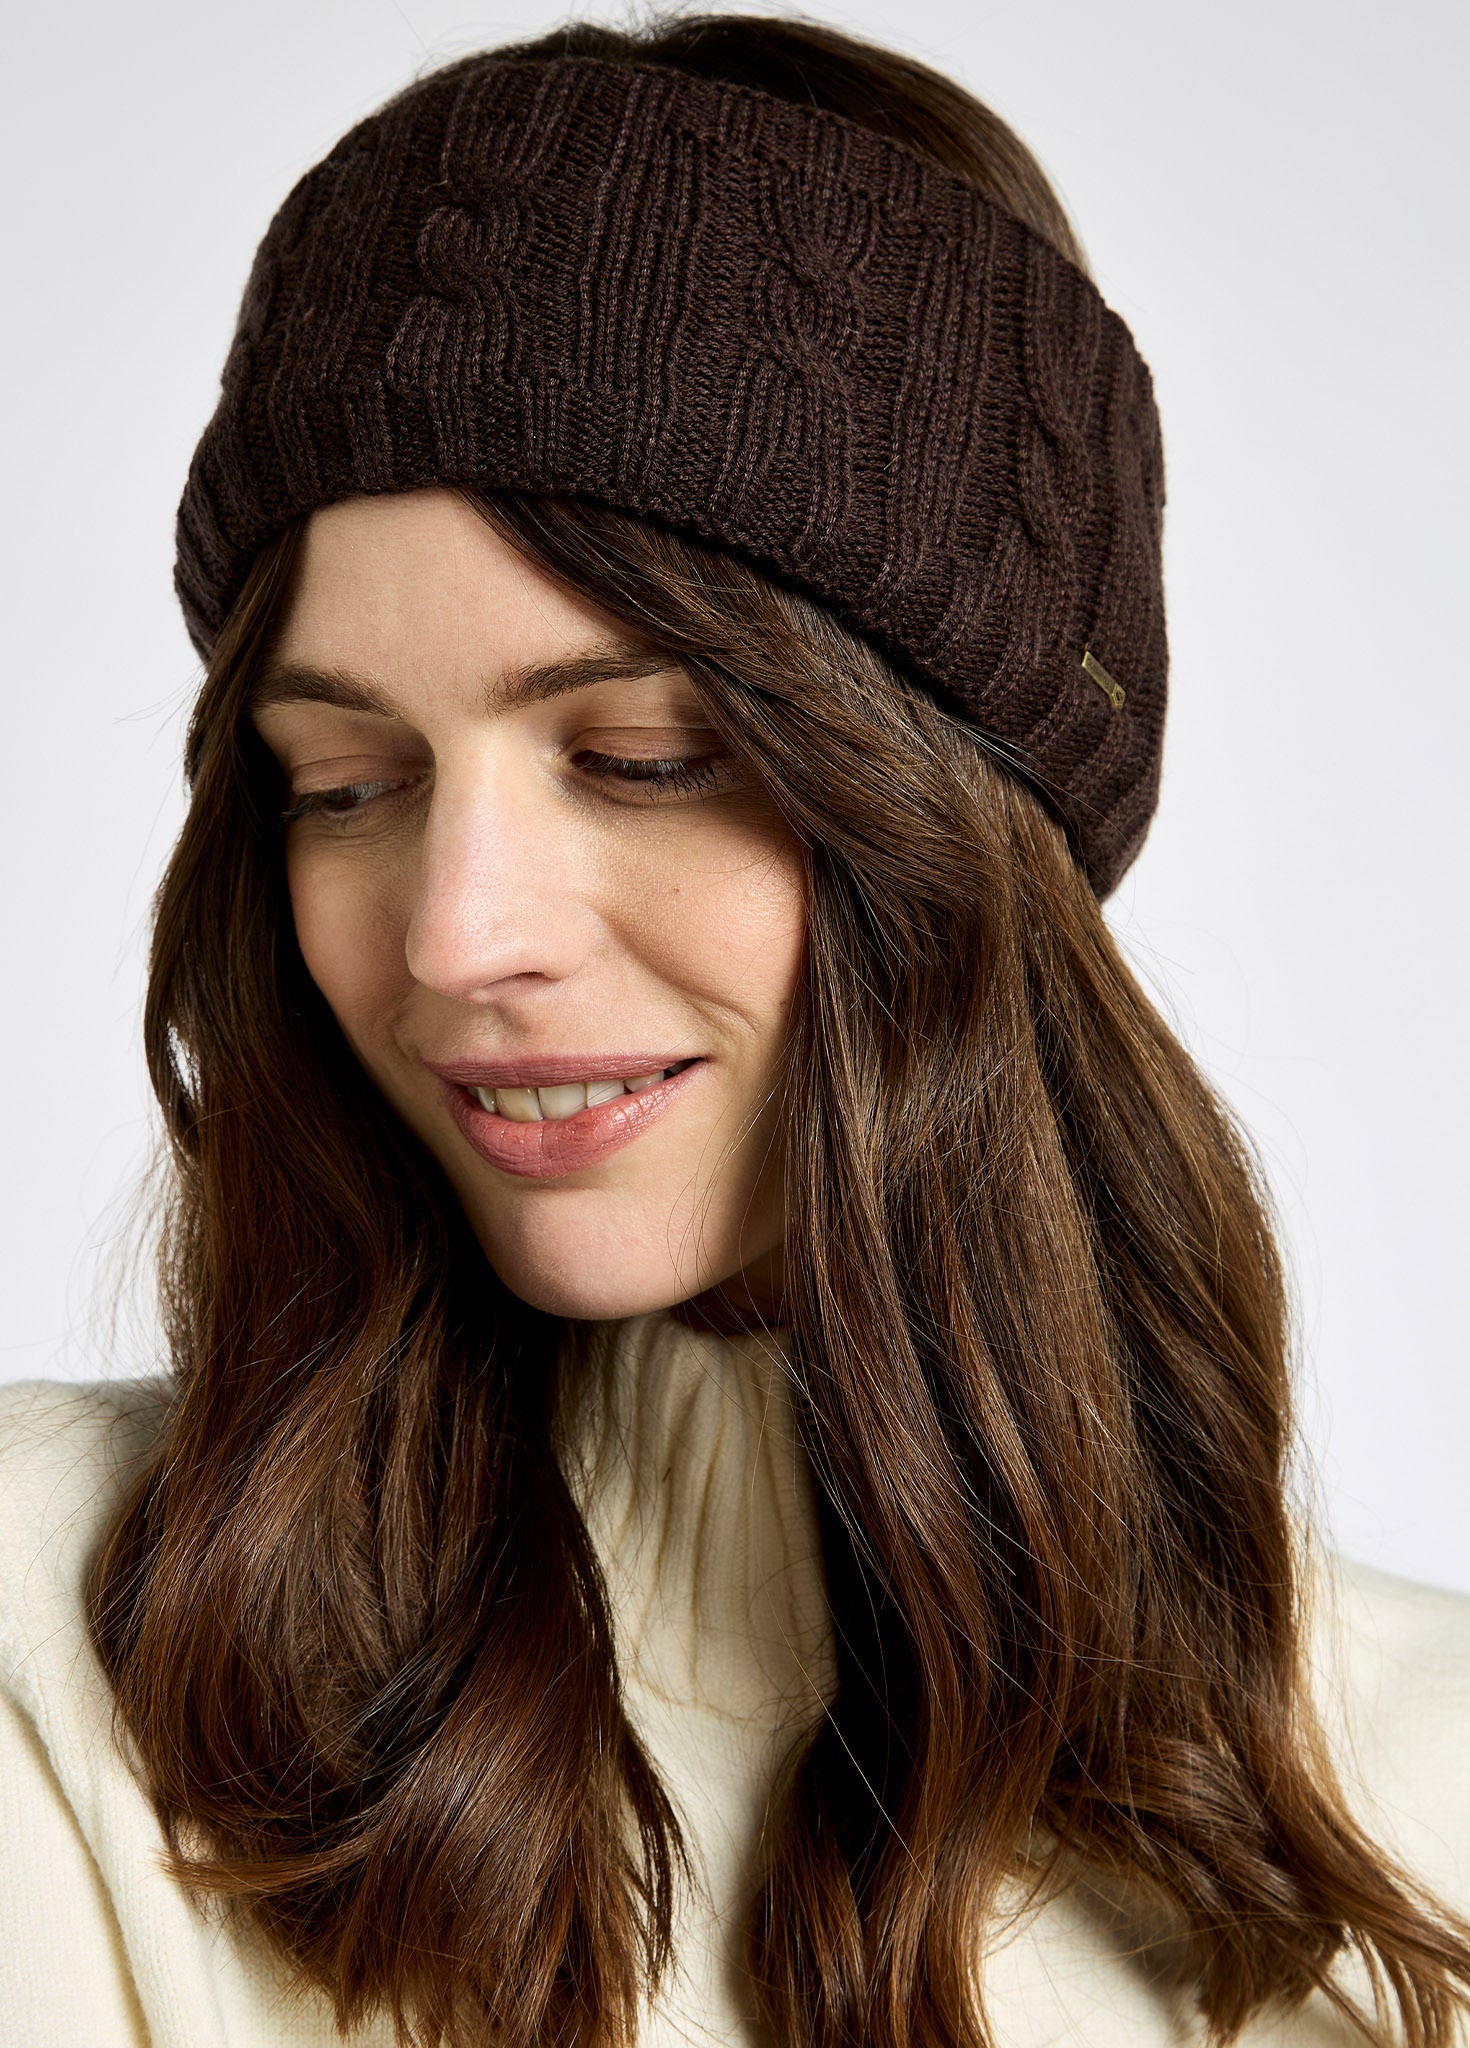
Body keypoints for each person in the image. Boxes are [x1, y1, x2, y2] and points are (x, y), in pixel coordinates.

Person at [2, 12, 1467, 2047]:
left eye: (643, 757)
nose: (455, 932)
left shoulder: (1421, 1809)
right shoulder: (51, 1639)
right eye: (343, 783)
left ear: (959, 819)